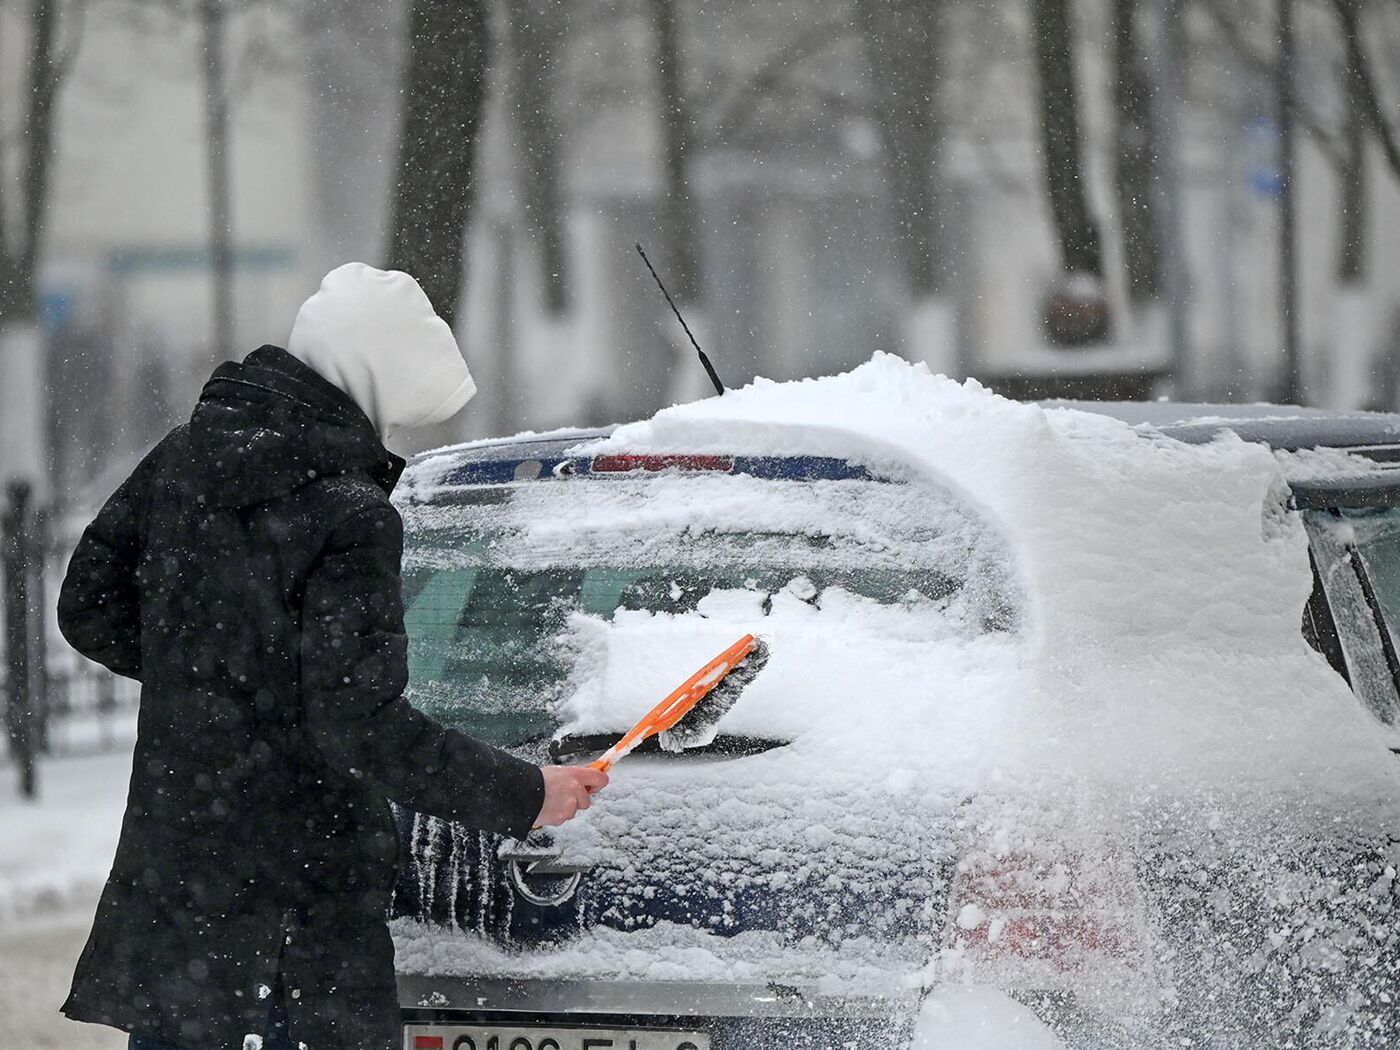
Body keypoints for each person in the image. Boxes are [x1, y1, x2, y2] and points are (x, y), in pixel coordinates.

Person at [56, 263, 608, 1050]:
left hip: (180, 900)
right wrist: (525, 794)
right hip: (298, 924)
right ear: (374, 379)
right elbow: (361, 725)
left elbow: (87, 607)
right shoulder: (349, 515)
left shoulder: (182, 462)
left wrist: (214, 675)